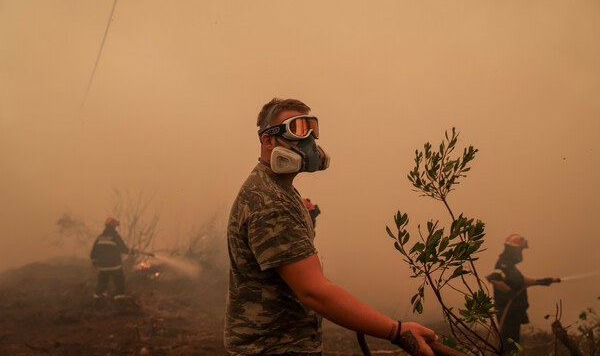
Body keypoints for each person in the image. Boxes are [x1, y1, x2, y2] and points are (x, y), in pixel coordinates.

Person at [225, 98, 437, 356]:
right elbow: (314, 292)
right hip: (274, 348)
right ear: (268, 140)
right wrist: (397, 331)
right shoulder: (270, 201)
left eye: (312, 129)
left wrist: (302, 226)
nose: (310, 142)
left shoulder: (276, 188)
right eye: (299, 130)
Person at [487, 234, 558, 354]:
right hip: (506, 310)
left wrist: (541, 281)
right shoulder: (503, 263)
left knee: (513, 342)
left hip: (513, 311)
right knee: (507, 342)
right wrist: (510, 293)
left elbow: (520, 280)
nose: (521, 253)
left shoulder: (510, 266)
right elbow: (494, 280)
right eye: (520, 250)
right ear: (514, 249)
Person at [90, 217, 130, 300]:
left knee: (102, 283)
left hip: (103, 266)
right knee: (119, 281)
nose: (115, 228)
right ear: (113, 226)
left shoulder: (100, 237)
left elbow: (94, 252)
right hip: (115, 265)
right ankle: (120, 296)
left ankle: (97, 296)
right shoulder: (115, 237)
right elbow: (123, 249)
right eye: (115, 226)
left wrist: (95, 262)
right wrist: (132, 251)